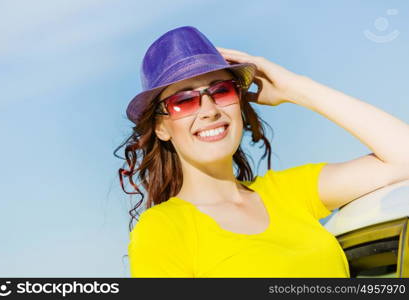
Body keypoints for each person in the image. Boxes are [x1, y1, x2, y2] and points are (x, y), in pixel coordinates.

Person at [117, 26, 409, 278]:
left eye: (221, 91)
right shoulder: (162, 230)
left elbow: (402, 156)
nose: (209, 110)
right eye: (185, 101)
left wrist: (296, 89)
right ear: (161, 128)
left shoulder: (289, 192)